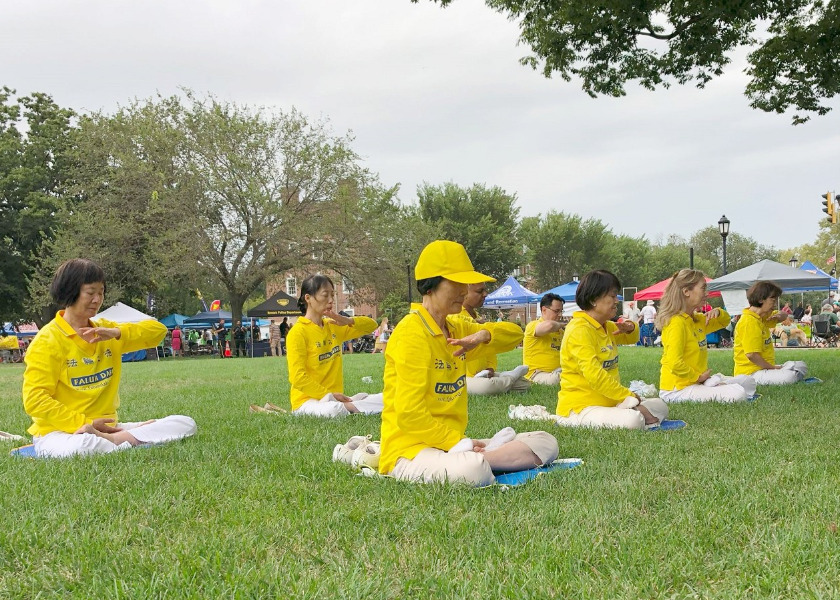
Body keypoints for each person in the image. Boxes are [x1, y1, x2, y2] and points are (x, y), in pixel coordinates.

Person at [379, 240, 558, 486]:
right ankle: (479, 459)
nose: (464, 291)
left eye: (465, 284)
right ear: (430, 286)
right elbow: (410, 415)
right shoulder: (412, 333)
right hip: (410, 450)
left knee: (545, 442)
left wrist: (483, 335)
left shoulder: (455, 328)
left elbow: (515, 334)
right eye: (456, 283)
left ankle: (482, 458)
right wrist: (458, 444)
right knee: (473, 471)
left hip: (452, 445)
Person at [22, 259, 197, 458]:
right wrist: (82, 423)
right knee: (84, 446)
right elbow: (35, 400)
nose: (97, 299)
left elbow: (158, 331)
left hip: (108, 428)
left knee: (185, 423)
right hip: (59, 433)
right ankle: (126, 439)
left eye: (101, 292)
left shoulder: (106, 330)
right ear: (70, 291)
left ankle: (116, 440)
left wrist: (116, 332)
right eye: (90, 293)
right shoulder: (48, 340)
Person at [556, 270, 669, 429]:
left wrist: (630, 327)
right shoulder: (579, 330)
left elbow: (631, 338)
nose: (617, 301)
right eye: (612, 296)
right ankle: (634, 414)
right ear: (594, 299)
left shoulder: (606, 326)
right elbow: (595, 375)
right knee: (633, 420)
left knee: (661, 406)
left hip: (612, 404)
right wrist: (627, 396)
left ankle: (634, 412)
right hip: (582, 408)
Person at [286, 274, 383, 417]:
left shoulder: (333, 326)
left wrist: (346, 319)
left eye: (332, 294)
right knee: (334, 410)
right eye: (325, 295)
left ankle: (352, 406)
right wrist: (329, 395)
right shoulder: (298, 333)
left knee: (385, 398)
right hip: (308, 402)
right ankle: (353, 406)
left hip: (336, 399)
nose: (331, 300)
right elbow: (298, 378)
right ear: (308, 298)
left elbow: (372, 326)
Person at [656, 269, 756, 403]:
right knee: (738, 393)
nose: (706, 293)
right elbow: (675, 363)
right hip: (677, 389)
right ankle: (719, 387)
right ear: (686, 292)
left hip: (698, 382)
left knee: (748, 381)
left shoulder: (696, 319)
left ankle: (717, 386)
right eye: (703, 288)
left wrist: (719, 312)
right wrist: (698, 377)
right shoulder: (676, 323)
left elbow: (724, 322)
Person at [452, 282, 529, 395]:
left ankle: (504, 379)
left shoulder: (478, 318)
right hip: (463, 377)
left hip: (483, 373)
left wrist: (490, 368)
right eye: (479, 291)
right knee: (487, 386)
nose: (485, 294)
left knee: (524, 384)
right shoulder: (455, 317)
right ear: (464, 292)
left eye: (485, 290)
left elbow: (492, 347)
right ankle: (510, 376)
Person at [734, 281, 808, 384]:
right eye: (773, 299)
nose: (775, 304)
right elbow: (752, 355)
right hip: (751, 373)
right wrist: (773, 368)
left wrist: (782, 315)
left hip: (764, 369)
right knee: (790, 376)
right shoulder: (749, 322)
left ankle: (781, 373)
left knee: (801, 365)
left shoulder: (762, 316)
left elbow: (781, 315)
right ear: (760, 299)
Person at [523, 293, 567, 385]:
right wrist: (566, 324)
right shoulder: (533, 325)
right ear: (544, 310)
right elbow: (549, 325)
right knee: (560, 378)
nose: (560, 315)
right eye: (556, 311)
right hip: (536, 374)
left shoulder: (561, 332)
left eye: (561, 311)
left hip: (559, 371)